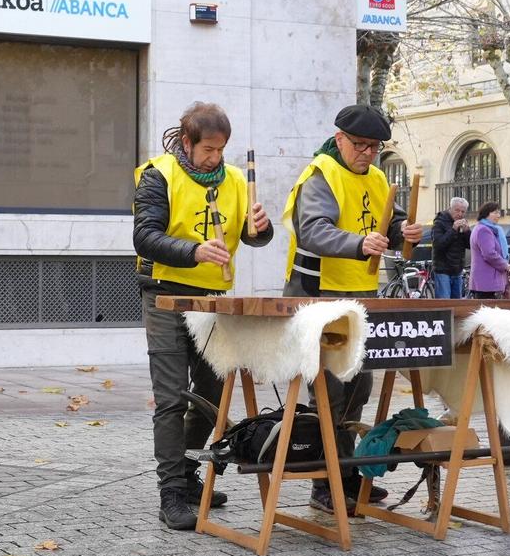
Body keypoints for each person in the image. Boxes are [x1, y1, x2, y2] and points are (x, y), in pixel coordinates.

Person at [133, 102, 273, 530]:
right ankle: (171, 491)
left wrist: (260, 228)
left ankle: (191, 474)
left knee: (212, 395)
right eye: (208, 149)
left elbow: (253, 239)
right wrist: (193, 251)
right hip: (165, 296)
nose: (216, 157)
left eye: (221, 149)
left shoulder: (233, 180)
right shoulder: (158, 174)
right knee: (172, 396)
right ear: (187, 142)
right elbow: (145, 236)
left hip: (213, 299)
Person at [282, 103, 414, 516]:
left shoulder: (377, 178)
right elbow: (314, 230)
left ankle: (347, 470)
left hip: (358, 299)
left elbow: (387, 221)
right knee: (329, 392)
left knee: (359, 387)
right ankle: (325, 480)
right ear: (339, 138)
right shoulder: (320, 175)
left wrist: (403, 230)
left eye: (375, 147)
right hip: (318, 294)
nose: (368, 153)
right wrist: (359, 245)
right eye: (360, 145)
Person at [429, 197, 472, 299]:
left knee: (457, 304)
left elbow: (470, 245)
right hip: (442, 269)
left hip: (457, 269)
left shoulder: (463, 221)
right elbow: (438, 244)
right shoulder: (440, 221)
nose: (460, 214)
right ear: (450, 209)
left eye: (463, 211)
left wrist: (467, 232)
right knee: (445, 304)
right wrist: (453, 229)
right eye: (457, 210)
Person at [468, 201, 510, 299]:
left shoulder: (487, 229)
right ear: (486, 214)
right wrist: (505, 265)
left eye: (499, 212)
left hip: (487, 282)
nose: (498, 215)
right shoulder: (484, 230)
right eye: (495, 212)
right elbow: (489, 254)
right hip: (487, 282)